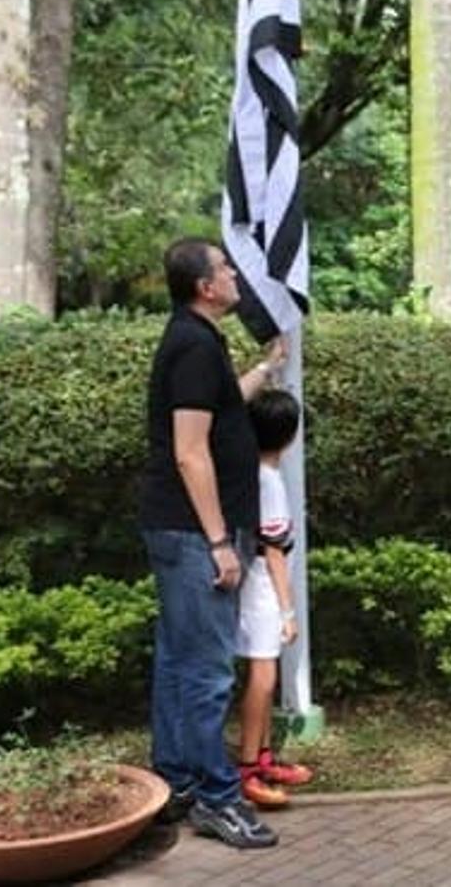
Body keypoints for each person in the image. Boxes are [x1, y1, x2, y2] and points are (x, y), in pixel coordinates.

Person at [139, 236, 286, 849]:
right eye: (225, 269)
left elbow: (220, 412)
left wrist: (265, 369)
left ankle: (175, 781)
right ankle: (216, 799)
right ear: (205, 287)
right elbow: (190, 451)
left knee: (179, 661)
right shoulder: (194, 347)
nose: (233, 275)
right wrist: (222, 541)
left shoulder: (195, 341)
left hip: (182, 530)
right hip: (197, 534)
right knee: (205, 673)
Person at [235, 388, 317, 808]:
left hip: (258, 586)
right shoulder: (268, 482)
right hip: (262, 589)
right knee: (263, 677)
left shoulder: (256, 473)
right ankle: (248, 768)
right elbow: (273, 552)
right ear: (289, 435)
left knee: (266, 677)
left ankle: (264, 757)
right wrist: (287, 610)